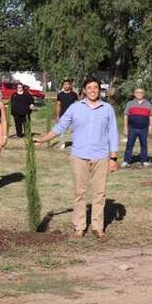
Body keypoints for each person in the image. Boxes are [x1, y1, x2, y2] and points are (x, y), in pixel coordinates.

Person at [35, 76, 119, 238]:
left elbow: (113, 133)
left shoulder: (107, 109)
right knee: (80, 193)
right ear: (83, 90)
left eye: (95, 87)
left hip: (101, 156)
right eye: (89, 88)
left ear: (99, 90)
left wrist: (113, 158)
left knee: (99, 193)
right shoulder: (75, 108)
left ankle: (97, 226)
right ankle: (79, 227)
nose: (93, 90)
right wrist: (44, 139)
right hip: (79, 156)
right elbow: (60, 127)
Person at [122, 88, 152, 168]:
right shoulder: (130, 103)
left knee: (144, 145)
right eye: (137, 92)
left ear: (144, 94)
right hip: (132, 128)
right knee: (129, 144)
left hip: (144, 129)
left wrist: (150, 127)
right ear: (134, 94)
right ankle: (126, 161)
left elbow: (151, 116)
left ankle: (144, 160)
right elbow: (126, 116)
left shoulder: (148, 104)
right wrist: (125, 127)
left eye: (141, 92)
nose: (139, 94)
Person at [55, 79, 79, 149]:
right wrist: (57, 116)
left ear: (70, 85)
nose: (66, 86)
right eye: (65, 84)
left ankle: (75, 144)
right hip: (63, 115)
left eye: (68, 84)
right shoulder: (60, 95)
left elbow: (77, 105)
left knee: (73, 131)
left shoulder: (74, 94)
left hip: (73, 116)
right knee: (62, 131)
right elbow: (58, 105)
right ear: (63, 86)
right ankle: (63, 144)